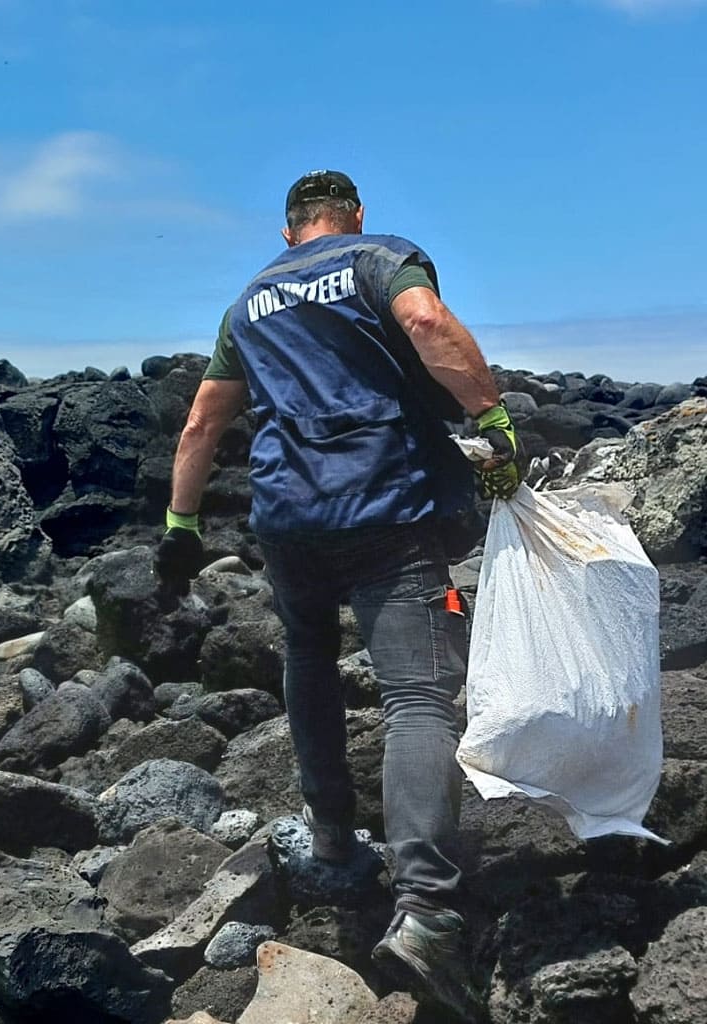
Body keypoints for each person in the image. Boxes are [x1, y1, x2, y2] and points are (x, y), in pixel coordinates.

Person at [156, 171, 524, 1023]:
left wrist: (180, 523)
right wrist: (493, 419)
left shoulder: (249, 301)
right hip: (386, 508)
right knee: (417, 698)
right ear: (352, 216)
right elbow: (426, 322)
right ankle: (427, 910)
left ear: (288, 231)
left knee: (309, 660)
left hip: (288, 520)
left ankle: (332, 844)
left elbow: (203, 422)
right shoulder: (377, 259)